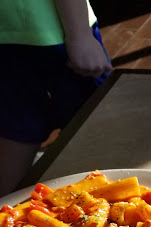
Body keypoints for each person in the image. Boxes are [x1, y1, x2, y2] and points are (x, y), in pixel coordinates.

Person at [0, 0, 113, 195]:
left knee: (16, 132)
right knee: (93, 128)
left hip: (14, 28)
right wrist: (80, 35)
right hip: (50, 28)